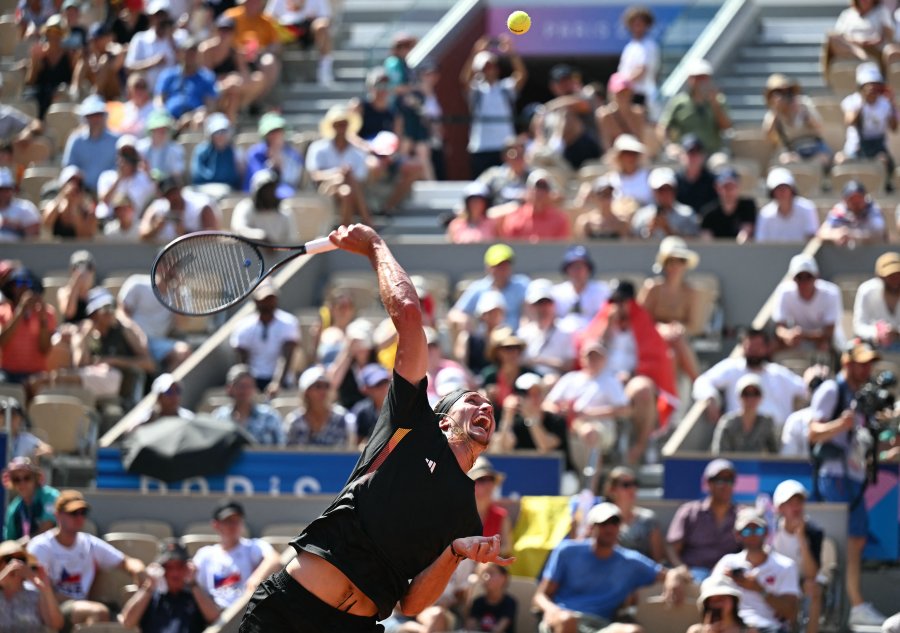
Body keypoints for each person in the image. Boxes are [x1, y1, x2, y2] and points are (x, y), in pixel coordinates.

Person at [240, 223, 512, 632]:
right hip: (290, 611)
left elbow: (412, 602)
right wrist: (374, 246)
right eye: (472, 400)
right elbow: (407, 314)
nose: (485, 406)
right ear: (442, 419)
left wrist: (456, 552)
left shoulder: (465, 515)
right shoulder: (411, 423)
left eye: (489, 406)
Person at [807, 340, 887, 626]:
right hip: (834, 475)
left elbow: (863, 442)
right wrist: (840, 425)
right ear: (847, 362)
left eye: (869, 363)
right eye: (861, 362)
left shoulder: (863, 396)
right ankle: (850, 604)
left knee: (855, 539)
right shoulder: (831, 389)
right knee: (841, 543)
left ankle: (852, 604)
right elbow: (813, 432)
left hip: (853, 475)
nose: (867, 369)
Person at [534, 502, 690, 633]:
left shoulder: (631, 560)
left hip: (600, 626)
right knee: (567, 621)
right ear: (591, 527)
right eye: (603, 523)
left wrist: (674, 577)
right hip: (563, 621)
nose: (609, 528)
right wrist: (553, 611)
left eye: (614, 522)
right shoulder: (567, 551)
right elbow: (540, 596)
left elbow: (666, 573)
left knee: (633, 631)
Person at [27, 490, 147, 627]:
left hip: (77, 607)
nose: (79, 518)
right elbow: (33, 591)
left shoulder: (89, 543)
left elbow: (126, 561)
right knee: (98, 612)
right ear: (58, 515)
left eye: (82, 513)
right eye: (73, 513)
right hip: (47, 608)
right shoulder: (41, 546)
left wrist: (139, 570)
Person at [693, 328, 808, 430]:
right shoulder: (732, 368)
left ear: (766, 348)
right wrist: (710, 398)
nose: (753, 351)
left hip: (776, 437)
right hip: (740, 436)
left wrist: (811, 377)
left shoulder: (778, 373)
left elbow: (805, 389)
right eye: (750, 347)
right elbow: (702, 381)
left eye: (758, 347)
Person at [543, 342, 628, 475]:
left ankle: (589, 486)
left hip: (602, 424)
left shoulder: (611, 381)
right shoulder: (570, 378)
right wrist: (560, 411)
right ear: (582, 359)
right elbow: (548, 403)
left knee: (590, 432)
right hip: (569, 423)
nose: (593, 361)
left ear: (604, 359)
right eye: (589, 357)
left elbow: (624, 410)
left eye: (597, 357)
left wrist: (589, 414)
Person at [712, 508, 801, 633]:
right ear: (737, 535)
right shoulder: (727, 563)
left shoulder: (786, 566)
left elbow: (791, 614)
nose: (753, 535)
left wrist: (759, 588)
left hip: (771, 629)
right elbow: (710, 602)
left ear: (766, 532)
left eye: (758, 530)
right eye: (747, 531)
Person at [119, 538, 221, 632]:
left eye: (179, 566)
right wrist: (149, 586)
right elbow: (127, 622)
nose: (175, 573)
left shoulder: (195, 596)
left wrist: (193, 584)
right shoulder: (150, 596)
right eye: (168, 567)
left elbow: (215, 619)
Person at [194, 500, 281, 610]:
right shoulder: (205, 554)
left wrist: (255, 580)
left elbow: (274, 559)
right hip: (215, 615)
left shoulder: (253, 546)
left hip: (245, 612)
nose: (233, 525)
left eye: (237, 521)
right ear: (216, 525)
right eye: (228, 521)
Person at [461, 36, 528, 177]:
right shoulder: (476, 90)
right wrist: (475, 53)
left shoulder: (505, 88)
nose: (489, 70)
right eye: (485, 67)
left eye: (491, 66)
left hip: (504, 148)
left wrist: (512, 52)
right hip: (481, 148)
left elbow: (521, 75)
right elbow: (464, 80)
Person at [666, 458, 740, 583]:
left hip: (729, 575)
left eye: (729, 480)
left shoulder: (742, 515)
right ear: (707, 484)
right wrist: (680, 568)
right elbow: (672, 548)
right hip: (694, 574)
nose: (725, 486)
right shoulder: (689, 511)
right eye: (719, 480)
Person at [638, 236, 701, 380]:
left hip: (678, 342)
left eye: (680, 261)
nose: (675, 266)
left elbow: (694, 325)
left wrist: (679, 328)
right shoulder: (652, 288)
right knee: (675, 346)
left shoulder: (691, 292)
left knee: (673, 352)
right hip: (652, 339)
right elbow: (640, 320)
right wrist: (661, 328)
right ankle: (698, 383)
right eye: (670, 261)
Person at [771, 480, 825, 633]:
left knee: (813, 588)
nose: (796, 507)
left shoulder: (814, 532)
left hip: (801, 581)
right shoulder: (770, 529)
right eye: (790, 503)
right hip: (775, 580)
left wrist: (801, 537)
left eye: (799, 502)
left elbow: (811, 573)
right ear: (779, 507)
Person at [230, 280, 299, 396]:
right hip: (254, 380)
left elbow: (286, 356)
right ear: (255, 301)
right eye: (264, 299)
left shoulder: (289, 323)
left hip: (282, 381)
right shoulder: (243, 326)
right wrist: (250, 385)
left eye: (271, 298)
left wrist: (277, 384)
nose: (268, 303)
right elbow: (243, 360)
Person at [306, 105, 372, 225]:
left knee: (346, 190)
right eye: (338, 124)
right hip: (326, 189)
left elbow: (361, 179)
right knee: (348, 181)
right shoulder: (318, 148)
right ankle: (366, 220)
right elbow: (315, 175)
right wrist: (338, 174)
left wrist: (345, 176)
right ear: (332, 126)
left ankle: (346, 229)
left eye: (344, 124)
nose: (341, 127)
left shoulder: (357, 152)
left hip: (349, 191)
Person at [119, 272, 193, 372]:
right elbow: (121, 314)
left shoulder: (181, 293)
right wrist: (136, 334)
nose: (168, 268)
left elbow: (181, 325)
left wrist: (177, 294)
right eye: (164, 262)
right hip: (132, 338)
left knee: (183, 352)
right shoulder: (137, 283)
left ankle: (166, 385)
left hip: (158, 343)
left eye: (173, 263)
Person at [658, 59, 731, 156]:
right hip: (685, 154)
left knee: (720, 164)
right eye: (697, 77)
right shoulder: (679, 102)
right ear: (689, 79)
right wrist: (668, 146)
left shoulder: (718, 100)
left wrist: (715, 104)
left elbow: (726, 127)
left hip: (711, 152)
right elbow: (662, 127)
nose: (701, 81)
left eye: (704, 77)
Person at [772, 254, 843, 353]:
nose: (804, 282)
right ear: (793, 279)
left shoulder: (831, 293)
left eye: (808, 277)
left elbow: (829, 332)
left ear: (816, 276)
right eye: (799, 277)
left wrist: (803, 335)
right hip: (798, 340)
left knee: (824, 345)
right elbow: (780, 327)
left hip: (827, 342)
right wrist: (788, 335)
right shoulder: (784, 292)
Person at [450, 243, 530, 330]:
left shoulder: (522, 285)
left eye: (506, 265)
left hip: (515, 340)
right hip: (486, 340)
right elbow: (454, 313)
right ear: (488, 267)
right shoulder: (478, 288)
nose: (502, 270)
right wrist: (464, 320)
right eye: (498, 266)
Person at [0, 268, 57, 384]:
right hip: (7, 373)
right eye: (19, 283)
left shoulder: (47, 313)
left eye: (28, 283)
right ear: (12, 287)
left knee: (39, 384)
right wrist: (20, 311)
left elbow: (45, 349)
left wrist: (42, 320)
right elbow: (1, 341)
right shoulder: (3, 311)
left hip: (36, 374)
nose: (24, 288)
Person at [762, 74, 831, 168]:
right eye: (779, 93)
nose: (785, 96)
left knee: (823, 160)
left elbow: (820, 128)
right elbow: (769, 138)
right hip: (793, 150)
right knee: (784, 160)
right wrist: (777, 111)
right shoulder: (772, 115)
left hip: (813, 146)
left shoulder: (804, 104)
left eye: (787, 92)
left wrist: (802, 113)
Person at [602, 466, 665, 562]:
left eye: (635, 484)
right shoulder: (602, 519)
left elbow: (658, 560)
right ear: (612, 490)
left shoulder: (648, 519)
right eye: (626, 485)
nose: (633, 489)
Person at [212, 364, 286, 446]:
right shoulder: (219, 417)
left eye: (249, 386)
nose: (245, 391)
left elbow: (281, 447)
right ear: (230, 388)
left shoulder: (270, 417)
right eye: (240, 386)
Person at [0, 539, 64, 632]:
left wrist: (45, 588)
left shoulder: (35, 595)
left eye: (21, 560)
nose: (16, 565)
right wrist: (2, 577)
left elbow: (56, 624)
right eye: (8, 560)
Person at [265, 0, 333, 84]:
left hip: (308, 30)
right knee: (271, 32)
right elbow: (267, 19)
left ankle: (325, 69)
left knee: (322, 27)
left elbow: (326, 18)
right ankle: (272, 71)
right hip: (285, 31)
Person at [62, 95, 119, 194]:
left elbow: (119, 169)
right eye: (91, 115)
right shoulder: (76, 140)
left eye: (99, 115)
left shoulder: (116, 141)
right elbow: (68, 167)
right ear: (85, 118)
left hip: (110, 193)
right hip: (82, 192)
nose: (95, 119)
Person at [285, 365, 354, 447]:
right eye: (318, 386)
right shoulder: (294, 422)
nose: (323, 391)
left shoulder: (343, 419)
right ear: (306, 391)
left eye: (326, 386)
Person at [155, 35, 220, 122]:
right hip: (169, 118)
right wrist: (164, 114)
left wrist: (193, 116)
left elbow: (211, 104)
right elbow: (159, 99)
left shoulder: (206, 77)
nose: (190, 56)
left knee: (200, 119)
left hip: (194, 118)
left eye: (193, 53)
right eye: (187, 52)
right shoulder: (168, 75)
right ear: (180, 54)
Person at [824, 0, 896, 76]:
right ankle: (862, 56)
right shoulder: (847, 14)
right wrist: (856, 41)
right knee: (831, 36)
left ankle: (864, 58)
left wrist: (878, 39)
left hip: (874, 49)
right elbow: (838, 35)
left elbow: (889, 34)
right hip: (849, 48)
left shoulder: (881, 11)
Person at [712, 373, 779, 455]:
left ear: (761, 397)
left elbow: (775, 454)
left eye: (755, 394)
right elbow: (719, 454)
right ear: (739, 397)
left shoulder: (766, 422)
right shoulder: (727, 422)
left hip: (757, 467)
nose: (750, 398)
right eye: (746, 394)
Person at [95, 134, 157, 221]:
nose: (127, 159)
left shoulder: (144, 178)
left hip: (133, 224)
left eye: (130, 155)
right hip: (110, 222)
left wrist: (148, 172)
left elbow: (159, 196)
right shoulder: (107, 176)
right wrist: (120, 177)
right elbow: (104, 201)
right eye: (124, 155)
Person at [25, 15, 76, 119]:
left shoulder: (69, 55)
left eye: (58, 32)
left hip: (62, 96)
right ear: (47, 33)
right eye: (52, 31)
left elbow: (72, 80)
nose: (55, 35)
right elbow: (30, 82)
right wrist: (35, 62)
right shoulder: (39, 54)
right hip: (41, 96)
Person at [498, 169, 571, 241]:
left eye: (544, 187)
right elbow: (511, 245)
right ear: (528, 190)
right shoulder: (515, 217)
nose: (540, 192)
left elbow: (559, 248)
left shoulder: (559, 220)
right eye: (537, 187)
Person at [140, 176, 219, 243]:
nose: (172, 197)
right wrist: (156, 228)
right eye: (168, 194)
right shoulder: (157, 208)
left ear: (180, 189)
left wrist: (186, 233)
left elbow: (214, 236)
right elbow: (142, 233)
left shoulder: (201, 205)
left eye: (174, 192)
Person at [243, 112, 304, 198]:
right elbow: (256, 179)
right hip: (257, 195)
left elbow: (293, 181)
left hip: (284, 193)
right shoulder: (255, 153)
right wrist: (271, 166)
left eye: (279, 131)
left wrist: (281, 167)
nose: (276, 135)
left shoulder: (292, 154)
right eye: (272, 132)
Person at [551, 245, 609, 332]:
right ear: (566, 270)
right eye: (573, 267)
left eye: (581, 267)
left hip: (593, 338)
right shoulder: (556, 293)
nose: (577, 271)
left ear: (588, 269)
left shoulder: (602, 291)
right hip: (562, 340)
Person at [232, 168, 298, 243]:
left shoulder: (285, 212)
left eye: (271, 189)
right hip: (249, 253)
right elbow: (238, 230)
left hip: (279, 254)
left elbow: (291, 241)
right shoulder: (245, 207)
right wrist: (260, 236)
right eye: (265, 189)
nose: (269, 193)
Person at [631, 167, 699, 239]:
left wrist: (668, 230)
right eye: (661, 190)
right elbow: (632, 243)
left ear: (675, 190)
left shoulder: (687, 214)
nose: (665, 194)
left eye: (669, 189)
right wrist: (648, 232)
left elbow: (694, 242)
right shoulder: (641, 216)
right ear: (653, 192)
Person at [124, 0, 177, 92]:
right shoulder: (140, 39)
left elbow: (187, 65)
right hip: (146, 96)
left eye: (163, 15)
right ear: (151, 18)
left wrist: (172, 41)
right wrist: (153, 63)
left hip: (172, 94)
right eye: (157, 16)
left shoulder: (179, 38)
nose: (161, 20)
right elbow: (129, 68)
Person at [754, 168, 819, 243]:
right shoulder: (765, 214)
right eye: (778, 188)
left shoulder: (807, 208)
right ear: (772, 192)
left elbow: (812, 239)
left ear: (792, 190)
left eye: (785, 187)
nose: (782, 192)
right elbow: (761, 243)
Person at [2, 457, 58, 541]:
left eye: (27, 477)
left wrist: (20, 545)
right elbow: (9, 540)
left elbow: (46, 530)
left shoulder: (50, 496)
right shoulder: (13, 508)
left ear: (35, 478)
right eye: (16, 479)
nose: (22, 483)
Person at [817, 180, 888, 246]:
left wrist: (852, 235)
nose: (855, 202)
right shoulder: (840, 210)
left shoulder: (873, 209)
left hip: (871, 251)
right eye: (851, 199)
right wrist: (836, 235)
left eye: (858, 198)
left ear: (864, 198)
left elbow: (878, 233)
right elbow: (822, 233)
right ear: (844, 200)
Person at [853, 251, 900, 349]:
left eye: (898, 274)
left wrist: (897, 333)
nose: (895, 279)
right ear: (880, 277)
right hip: (874, 346)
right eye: (890, 276)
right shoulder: (866, 290)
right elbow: (859, 325)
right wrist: (876, 333)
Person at [617, 6, 659, 114]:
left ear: (647, 25)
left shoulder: (649, 45)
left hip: (642, 95)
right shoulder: (630, 47)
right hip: (627, 94)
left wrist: (620, 84)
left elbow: (641, 70)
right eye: (634, 23)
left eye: (640, 23)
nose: (637, 27)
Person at [699, 166, 757, 242]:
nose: (729, 191)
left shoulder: (748, 206)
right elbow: (707, 240)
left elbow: (744, 234)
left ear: (738, 187)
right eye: (725, 187)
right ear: (717, 188)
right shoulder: (707, 212)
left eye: (732, 187)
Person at [42, 165, 98, 239]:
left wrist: (75, 207)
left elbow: (84, 236)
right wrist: (62, 196)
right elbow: (46, 224)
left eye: (79, 183)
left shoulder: (88, 211)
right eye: (71, 181)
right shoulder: (54, 205)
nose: (75, 186)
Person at [192, 112, 241, 190]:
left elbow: (236, 178)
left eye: (224, 132)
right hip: (203, 192)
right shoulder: (200, 151)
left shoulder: (235, 152)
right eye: (217, 132)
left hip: (229, 192)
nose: (221, 135)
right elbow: (197, 177)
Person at [572, 176, 631, 240]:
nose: (607, 198)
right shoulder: (586, 222)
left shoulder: (621, 223)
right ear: (594, 196)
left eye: (609, 194)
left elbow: (625, 247)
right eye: (603, 194)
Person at [348, 362, 392, 446]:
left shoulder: (402, 408)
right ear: (365, 389)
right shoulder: (361, 412)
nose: (384, 387)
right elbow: (355, 445)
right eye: (378, 384)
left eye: (385, 382)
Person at [465, 562, 517, 633]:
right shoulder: (478, 602)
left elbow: (499, 629)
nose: (486, 577)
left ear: (504, 578)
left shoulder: (509, 602)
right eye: (484, 574)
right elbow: (469, 628)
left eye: (491, 573)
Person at [675, 135, 718, 216]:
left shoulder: (713, 181)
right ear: (681, 155)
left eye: (697, 152)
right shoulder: (675, 181)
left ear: (703, 156)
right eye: (690, 152)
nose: (693, 157)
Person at [0, 166, 41, 240]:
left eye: (6, 189)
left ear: (12, 189)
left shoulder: (25, 208)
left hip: (19, 251)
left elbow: (34, 235)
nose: (3, 193)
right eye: (1, 189)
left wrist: (14, 225)